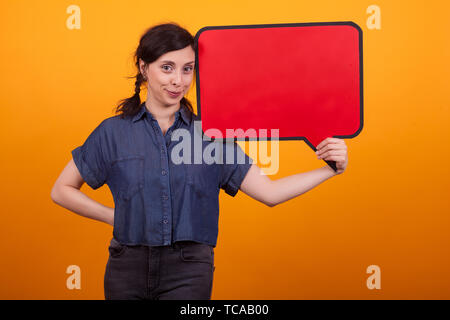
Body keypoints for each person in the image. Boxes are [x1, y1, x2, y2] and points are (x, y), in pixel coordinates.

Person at [50, 22, 348, 300]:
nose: (178, 80)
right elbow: (61, 189)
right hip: (126, 267)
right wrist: (113, 216)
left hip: (188, 271)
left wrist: (329, 170)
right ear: (144, 68)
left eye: (187, 69)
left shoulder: (211, 135)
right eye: (167, 68)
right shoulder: (112, 132)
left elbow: (270, 193)